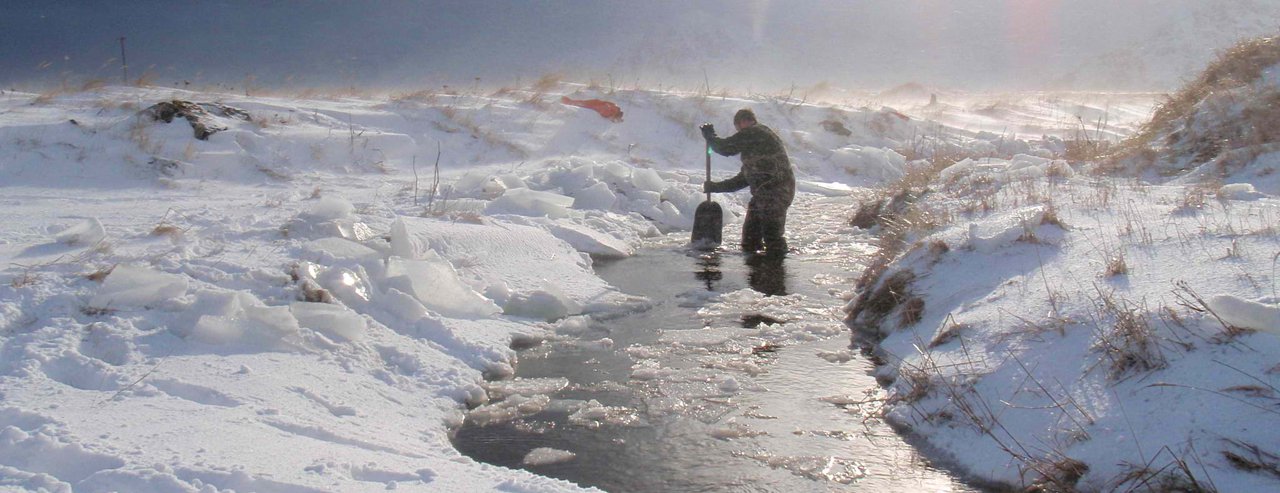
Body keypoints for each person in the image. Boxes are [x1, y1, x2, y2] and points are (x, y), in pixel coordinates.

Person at [699, 109, 795, 256]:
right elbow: (743, 179)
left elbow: (726, 148)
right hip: (764, 194)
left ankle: (775, 272)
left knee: (772, 236)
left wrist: (711, 137)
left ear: (743, 122)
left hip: (776, 191)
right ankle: (756, 273)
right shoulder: (756, 147)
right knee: (750, 239)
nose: (738, 132)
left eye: (737, 128)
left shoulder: (756, 132)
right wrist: (716, 187)